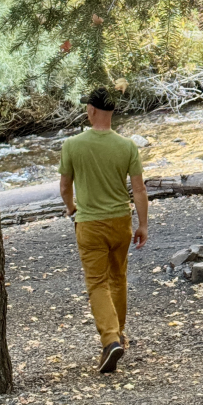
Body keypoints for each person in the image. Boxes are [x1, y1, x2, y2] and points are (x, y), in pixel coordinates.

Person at [59, 86, 149, 374]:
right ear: (111, 113)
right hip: (121, 221)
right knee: (118, 279)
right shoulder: (127, 146)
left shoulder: (72, 145)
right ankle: (119, 335)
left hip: (89, 224)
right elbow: (138, 189)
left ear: (91, 110)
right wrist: (143, 224)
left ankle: (110, 341)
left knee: (97, 283)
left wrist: (72, 208)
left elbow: (64, 187)